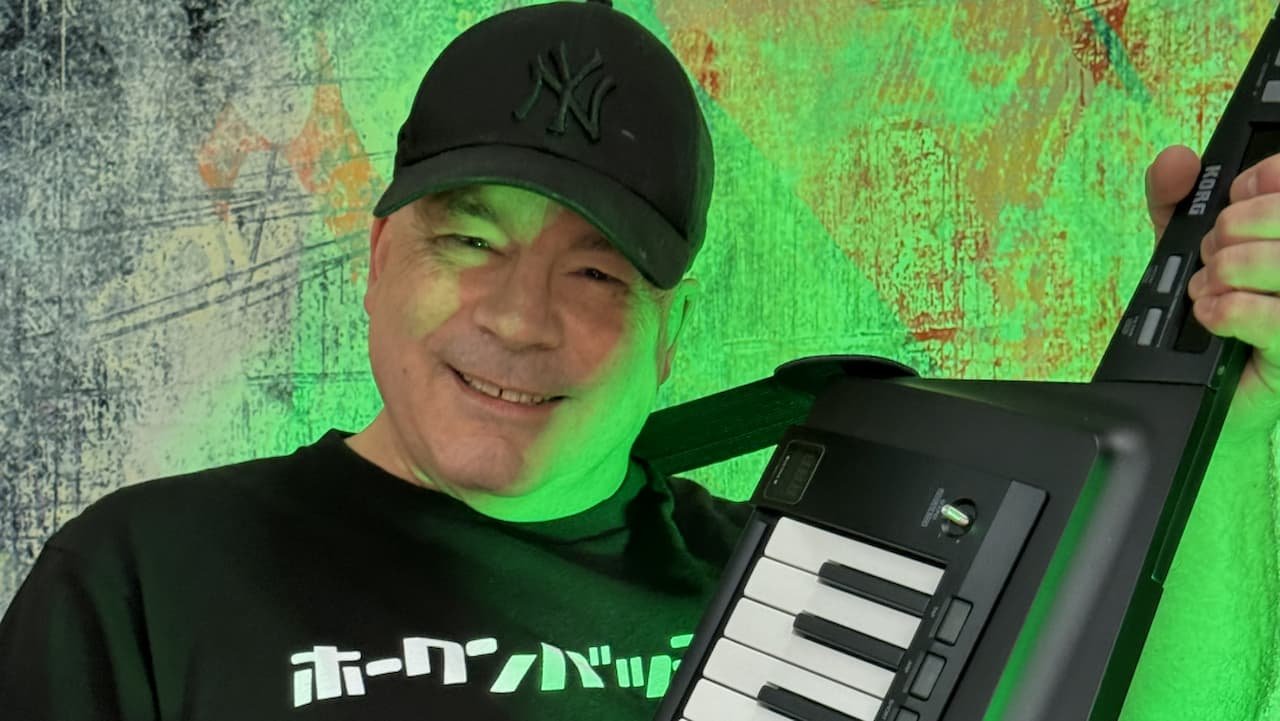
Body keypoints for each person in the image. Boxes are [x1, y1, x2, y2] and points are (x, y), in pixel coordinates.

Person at [1, 1, 1278, 720]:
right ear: (377, 259)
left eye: (597, 273)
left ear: (670, 333)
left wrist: (1232, 402)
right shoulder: (140, 578)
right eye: (469, 240)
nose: (519, 317)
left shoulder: (814, 582)